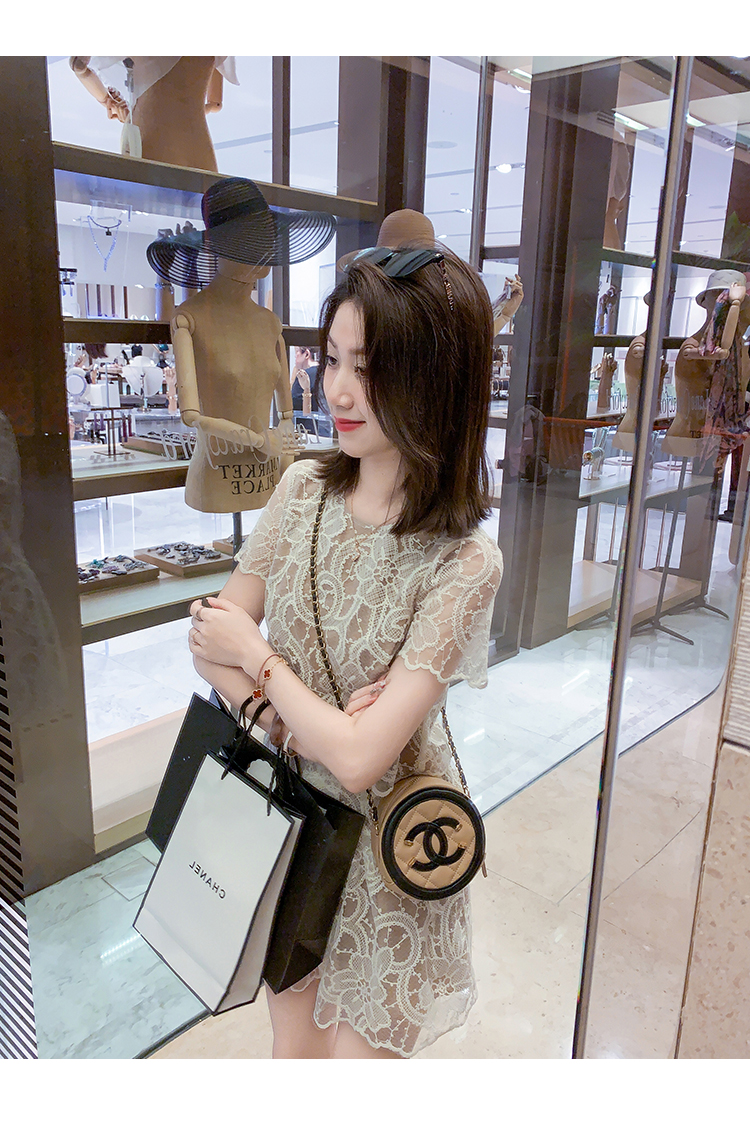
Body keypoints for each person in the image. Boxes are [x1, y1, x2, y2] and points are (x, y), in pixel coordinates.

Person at [187, 245, 503, 1059]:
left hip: (388, 849)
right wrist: (296, 722)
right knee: (293, 1055)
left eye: (369, 368)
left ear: (439, 379)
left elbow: (362, 762)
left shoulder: (465, 561)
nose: (337, 390)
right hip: (291, 820)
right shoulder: (303, 491)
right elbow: (209, 644)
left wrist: (263, 664)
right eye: (331, 359)